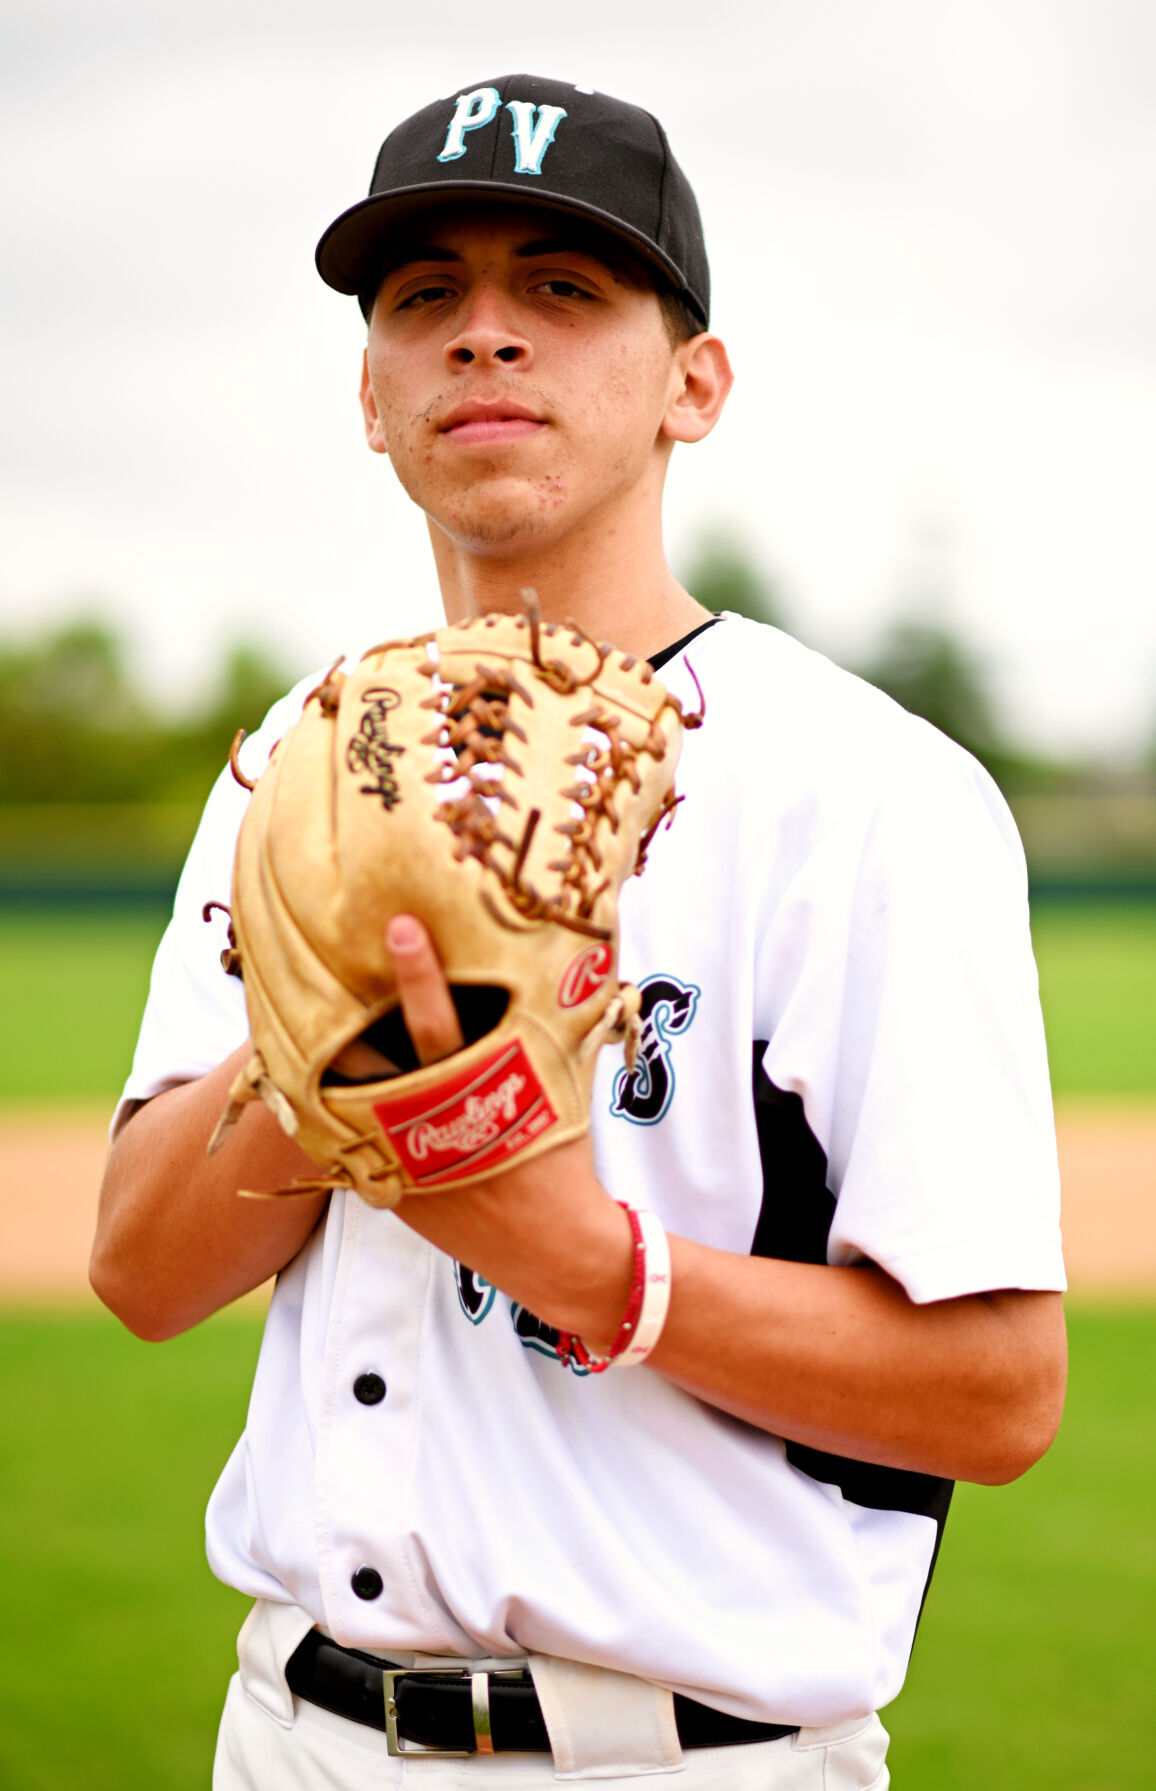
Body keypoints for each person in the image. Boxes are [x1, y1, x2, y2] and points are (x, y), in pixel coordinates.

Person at [90, 74, 1068, 1791]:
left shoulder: (870, 794)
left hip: (688, 1762)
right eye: (425, 300)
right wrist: (333, 1037)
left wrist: (593, 1265)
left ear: (696, 381)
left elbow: (998, 1394)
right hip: (291, 1738)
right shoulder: (299, 777)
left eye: (561, 288)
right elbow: (144, 1274)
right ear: (373, 400)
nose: (484, 339)